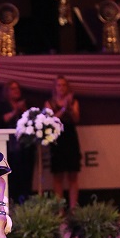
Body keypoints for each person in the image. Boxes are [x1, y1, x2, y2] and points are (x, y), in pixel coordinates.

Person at [44, 75, 81, 211]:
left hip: (71, 139)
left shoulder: (74, 102)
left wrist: (69, 107)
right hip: (57, 140)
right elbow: (51, 120)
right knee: (58, 175)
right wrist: (64, 109)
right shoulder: (49, 102)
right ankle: (60, 210)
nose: (61, 88)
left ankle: (73, 208)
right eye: (59, 85)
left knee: (73, 174)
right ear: (54, 88)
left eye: (64, 85)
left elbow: (76, 119)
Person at [0, 80, 36, 204]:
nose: (16, 91)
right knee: (12, 176)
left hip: (25, 148)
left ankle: (26, 200)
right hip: (9, 149)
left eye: (18, 88)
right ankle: (11, 201)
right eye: (13, 89)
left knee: (26, 175)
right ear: (7, 92)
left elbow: (33, 122)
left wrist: (24, 111)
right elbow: (1, 121)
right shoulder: (1, 105)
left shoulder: (26, 105)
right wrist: (15, 111)